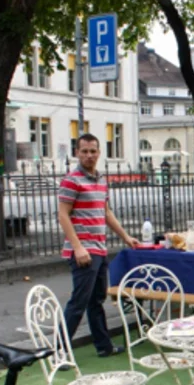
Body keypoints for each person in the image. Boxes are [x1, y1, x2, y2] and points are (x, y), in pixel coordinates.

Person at [58, 133, 139, 358]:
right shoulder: (72, 180)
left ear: (99, 152)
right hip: (84, 250)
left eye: (93, 151)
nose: (89, 156)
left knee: (96, 301)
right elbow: (63, 215)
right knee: (79, 302)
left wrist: (125, 237)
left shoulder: (101, 179)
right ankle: (59, 351)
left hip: (99, 248)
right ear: (77, 153)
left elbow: (106, 212)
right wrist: (78, 248)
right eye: (84, 151)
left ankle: (104, 346)